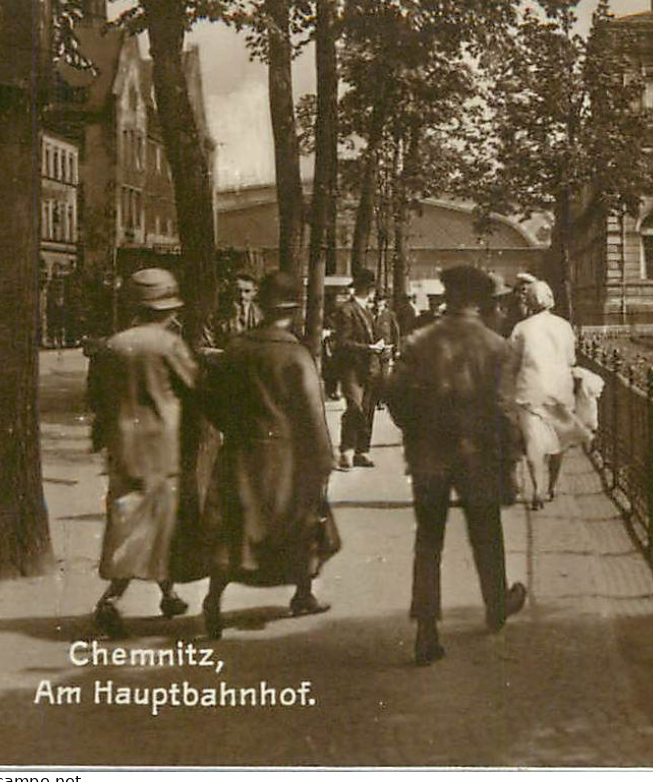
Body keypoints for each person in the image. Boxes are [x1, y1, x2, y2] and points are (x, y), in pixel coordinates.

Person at [385, 264, 528, 664]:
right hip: (477, 455)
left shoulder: (418, 340)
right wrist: (511, 457)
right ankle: (497, 606)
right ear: (482, 302)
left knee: (428, 540)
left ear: (448, 297)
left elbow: (394, 395)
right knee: (486, 532)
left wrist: (416, 430)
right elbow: (504, 410)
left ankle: (426, 630)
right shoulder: (496, 347)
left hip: (428, 456)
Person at [199, 271, 338, 639]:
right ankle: (303, 593)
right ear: (294, 311)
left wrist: (234, 428)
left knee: (235, 529)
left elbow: (210, 400)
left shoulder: (236, 349)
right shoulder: (295, 355)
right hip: (287, 457)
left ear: (261, 305)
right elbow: (311, 412)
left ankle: (213, 599)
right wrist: (324, 456)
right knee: (303, 521)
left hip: (242, 452)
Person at [87, 268, 199, 639]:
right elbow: (194, 386)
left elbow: (96, 398)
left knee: (133, 516)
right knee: (150, 523)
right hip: (161, 447)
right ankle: (111, 601)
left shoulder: (112, 346)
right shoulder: (169, 345)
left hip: (123, 445)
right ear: (165, 309)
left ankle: (169, 594)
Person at [502, 279, 589, 508]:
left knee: (533, 441)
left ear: (529, 301)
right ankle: (552, 486)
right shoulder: (564, 326)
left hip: (530, 389)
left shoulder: (521, 328)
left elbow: (512, 361)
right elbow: (571, 359)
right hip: (559, 388)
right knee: (558, 439)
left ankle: (537, 489)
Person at [329, 268, 388, 470]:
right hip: (352, 369)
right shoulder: (347, 310)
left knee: (368, 409)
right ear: (367, 289)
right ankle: (346, 451)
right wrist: (369, 348)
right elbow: (342, 343)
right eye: (371, 288)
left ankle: (361, 452)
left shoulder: (369, 311)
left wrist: (380, 349)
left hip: (370, 367)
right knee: (355, 408)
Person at [215, 273, 262, 347]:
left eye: (247, 291)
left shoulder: (263, 316)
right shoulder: (216, 315)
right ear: (231, 290)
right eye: (238, 290)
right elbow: (203, 347)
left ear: (255, 292)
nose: (242, 295)